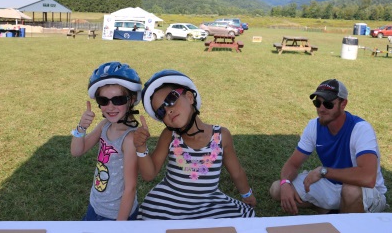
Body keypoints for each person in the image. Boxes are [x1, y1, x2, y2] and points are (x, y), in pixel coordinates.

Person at [133, 69, 256, 220]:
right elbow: (149, 175)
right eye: (161, 112)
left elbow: (236, 172)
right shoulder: (169, 136)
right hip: (169, 204)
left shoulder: (221, 136)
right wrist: (140, 148)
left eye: (171, 99)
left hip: (207, 204)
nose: (168, 110)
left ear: (190, 97)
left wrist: (247, 194)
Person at [269, 79, 387, 215]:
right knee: (277, 189)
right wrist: (285, 182)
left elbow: (368, 178)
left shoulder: (360, 129)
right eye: (317, 103)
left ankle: (344, 220)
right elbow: (292, 164)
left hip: (366, 190)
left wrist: (323, 172)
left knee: (350, 190)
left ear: (343, 104)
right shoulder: (314, 126)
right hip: (331, 184)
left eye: (328, 104)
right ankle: (333, 210)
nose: (321, 109)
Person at [70, 61, 142, 221]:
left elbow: (130, 188)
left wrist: (119, 226)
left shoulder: (129, 139)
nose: (110, 107)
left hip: (116, 215)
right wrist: (81, 127)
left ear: (131, 100)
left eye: (118, 100)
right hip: (96, 204)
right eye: (103, 101)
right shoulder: (105, 125)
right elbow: (76, 151)